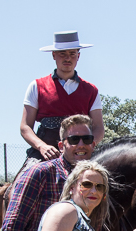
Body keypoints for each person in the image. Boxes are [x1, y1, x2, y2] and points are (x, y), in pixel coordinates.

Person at [20, 32, 103, 169]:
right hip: (44, 153)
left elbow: (99, 128)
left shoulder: (91, 90)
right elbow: (25, 127)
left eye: (72, 54)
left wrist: (84, 147)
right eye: (62, 54)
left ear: (78, 56)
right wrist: (42, 146)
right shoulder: (37, 86)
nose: (67, 58)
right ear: (53, 55)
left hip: (81, 154)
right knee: (22, 181)